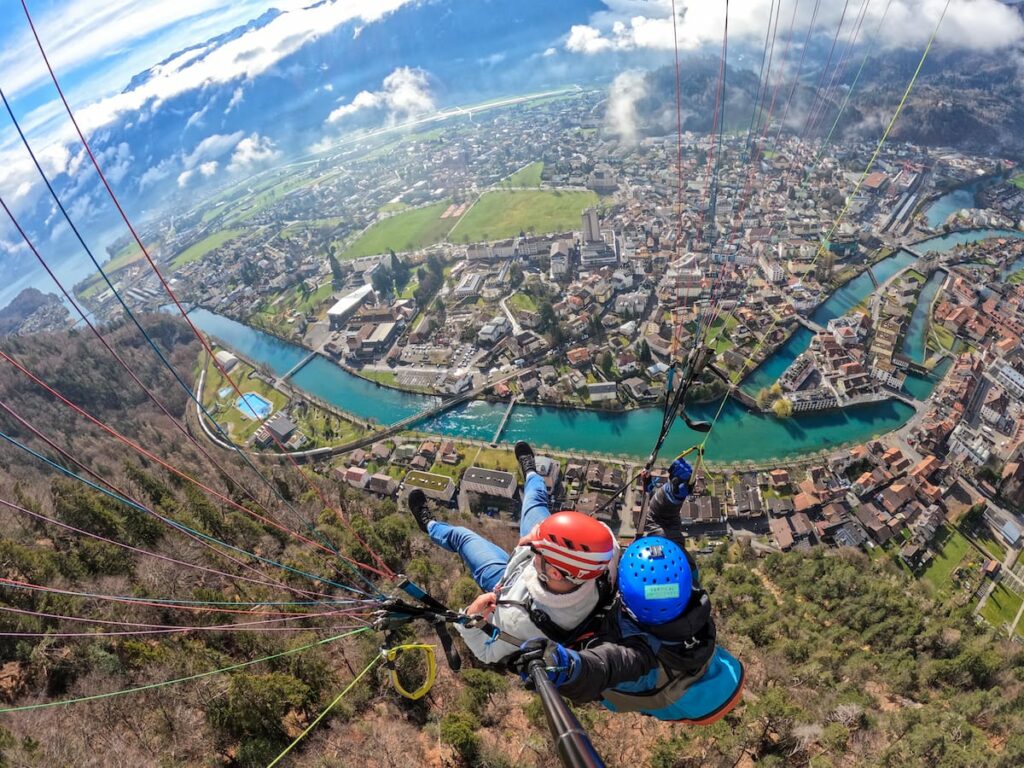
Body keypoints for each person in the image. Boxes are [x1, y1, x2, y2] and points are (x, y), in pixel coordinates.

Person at [511, 458, 744, 724]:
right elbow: (661, 519)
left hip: (596, 659)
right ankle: (531, 478)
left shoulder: (639, 656)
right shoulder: (683, 581)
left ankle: (531, 477)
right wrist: (671, 493)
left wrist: (564, 666)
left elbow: (602, 667)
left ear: (627, 602)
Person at [407, 441, 618, 664]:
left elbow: (486, 652)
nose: (527, 540)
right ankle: (530, 471)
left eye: (537, 548)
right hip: (527, 572)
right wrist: (541, 537)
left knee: (461, 537)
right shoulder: (606, 554)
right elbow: (599, 534)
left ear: (555, 573)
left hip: (503, 585)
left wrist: (470, 618)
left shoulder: (519, 622)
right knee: (535, 498)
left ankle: (430, 525)